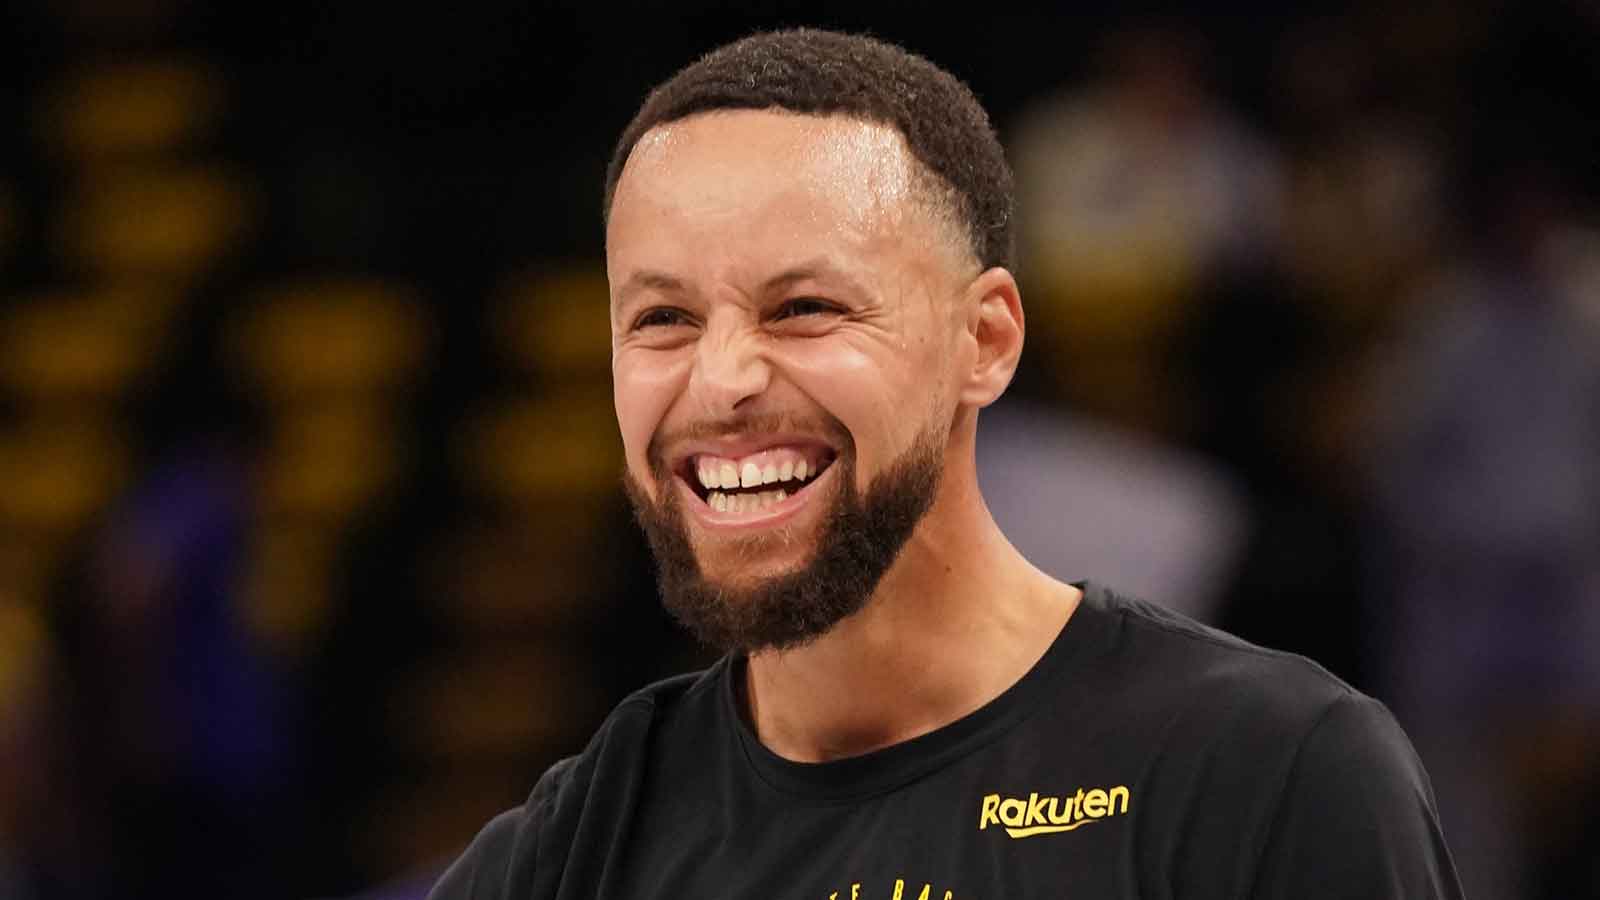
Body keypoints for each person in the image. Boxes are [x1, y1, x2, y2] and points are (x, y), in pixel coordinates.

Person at [429, 28, 1462, 899]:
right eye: (661, 319)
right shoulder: (569, 853)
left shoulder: (1266, 773)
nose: (721, 379)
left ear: (986, 341)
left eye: (805, 308)